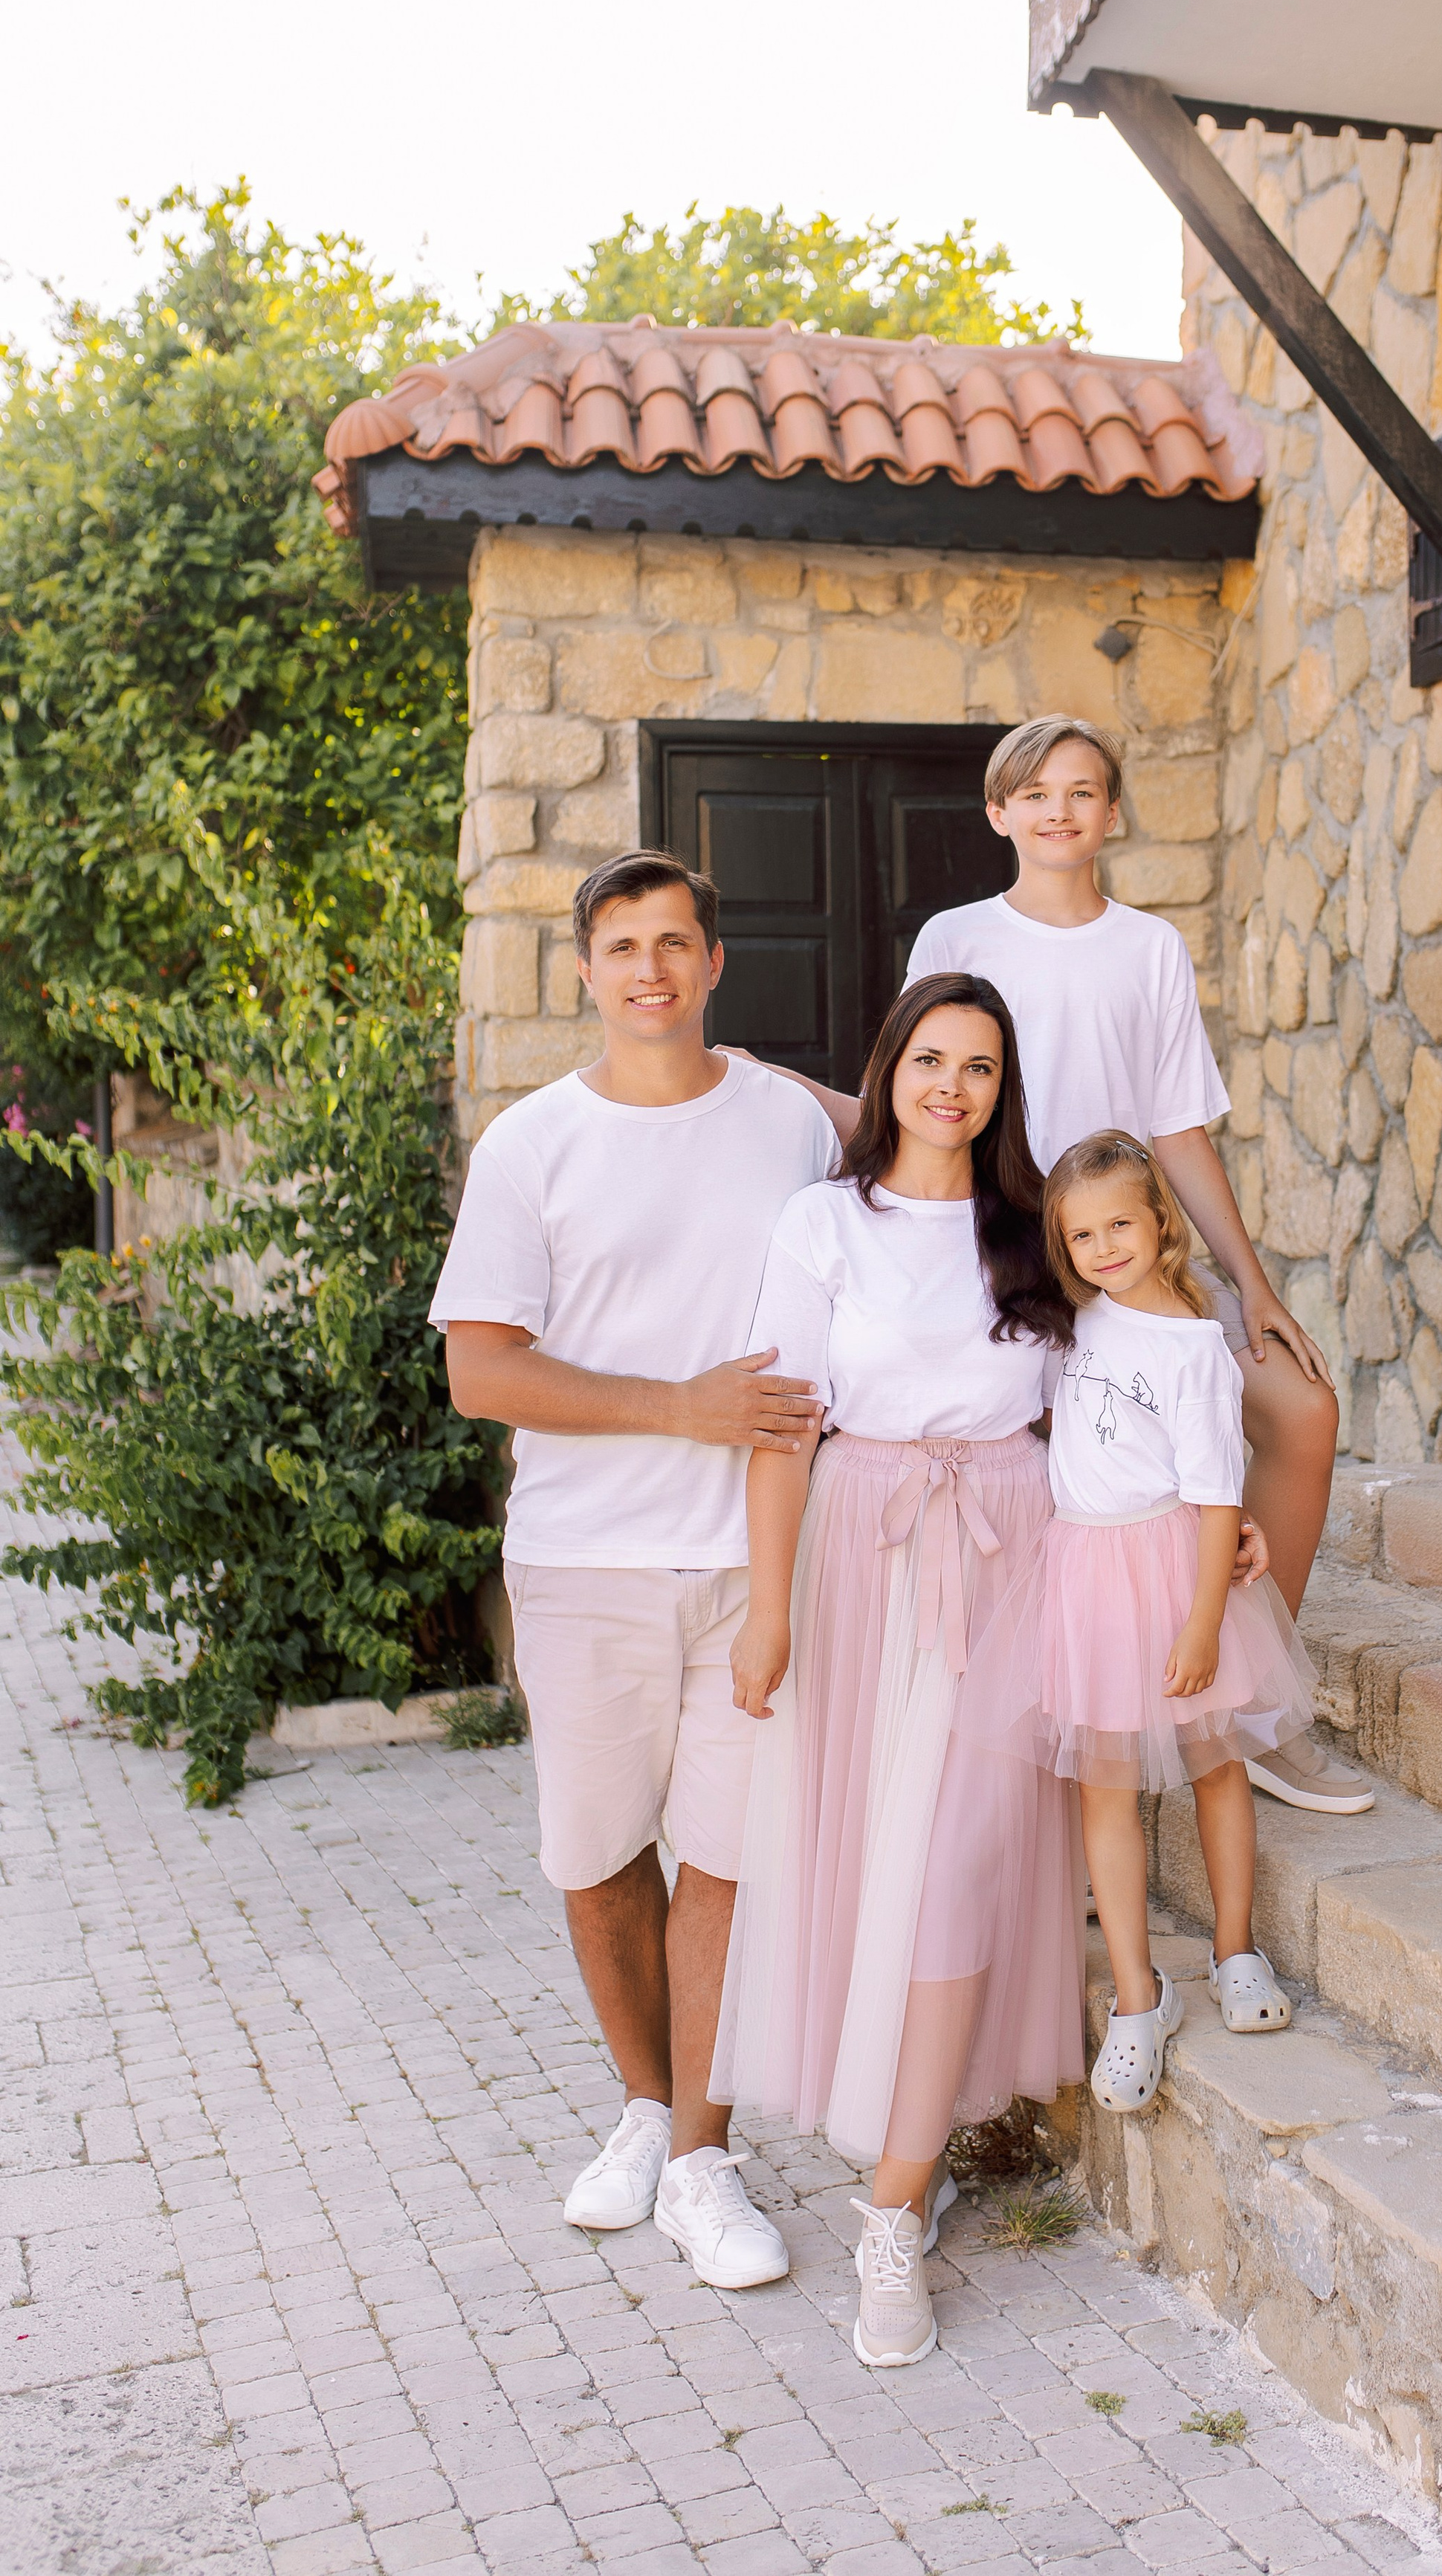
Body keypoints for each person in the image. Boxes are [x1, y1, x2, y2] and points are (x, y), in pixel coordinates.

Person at [433, 850, 836, 2290]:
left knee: (723, 1860)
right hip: (583, 1557)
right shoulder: (531, 1145)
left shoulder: (792, 1120)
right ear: (586, 970)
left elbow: (939, 1125)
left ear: (714, 964)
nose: (650, 969)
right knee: (600, 1859)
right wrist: (683, 1408)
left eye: (675, 942)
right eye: (622, 946)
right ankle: (649, 2109)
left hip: (752, 1560)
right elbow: (481, 1373)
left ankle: (703, 2162)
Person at [713, 973, 1082, 2370]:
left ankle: (888, 2216)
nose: (951, 1087)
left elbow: (1092, 1408)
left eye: (979, 1067)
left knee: (962, 1867)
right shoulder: (824, 1223)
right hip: (865, 1553)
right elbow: (782, 1425)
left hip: (1013, 1553)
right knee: (884, 1865)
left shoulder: (1033, 1229)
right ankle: (907, 2167)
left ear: (1003, 1090)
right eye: (931, 1059)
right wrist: (769, 1610)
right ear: (889, 1071)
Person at [902, 716, 1368, 1818]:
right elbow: (921, 1096)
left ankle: (1252, 1715)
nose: (1059, 810)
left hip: (1131, 1263)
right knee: (1068, 1486)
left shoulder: (1149, 946)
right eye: (1035, 792)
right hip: (1013, 1259)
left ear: (1112, 813)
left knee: (1303, 1410)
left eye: (1082, 791)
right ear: (998, 812)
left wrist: (1251, 1285)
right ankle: (1056, 1764)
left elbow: (1178, 1129)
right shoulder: (955, 937)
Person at [1032, 1130, 1313, 2108]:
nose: (1103, 1247)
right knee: (1103, 1787)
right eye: (1082, 1235)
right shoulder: (1077, 1321)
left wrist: (1202, 1622)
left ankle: (1236, 1951)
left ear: (1161, 1223)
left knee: (1215, 1763)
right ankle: (1138, 1998)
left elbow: (1215, 1493)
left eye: (1120, 1224)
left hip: (1174, 1570)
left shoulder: (1195, 1348)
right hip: (1083, 1575)